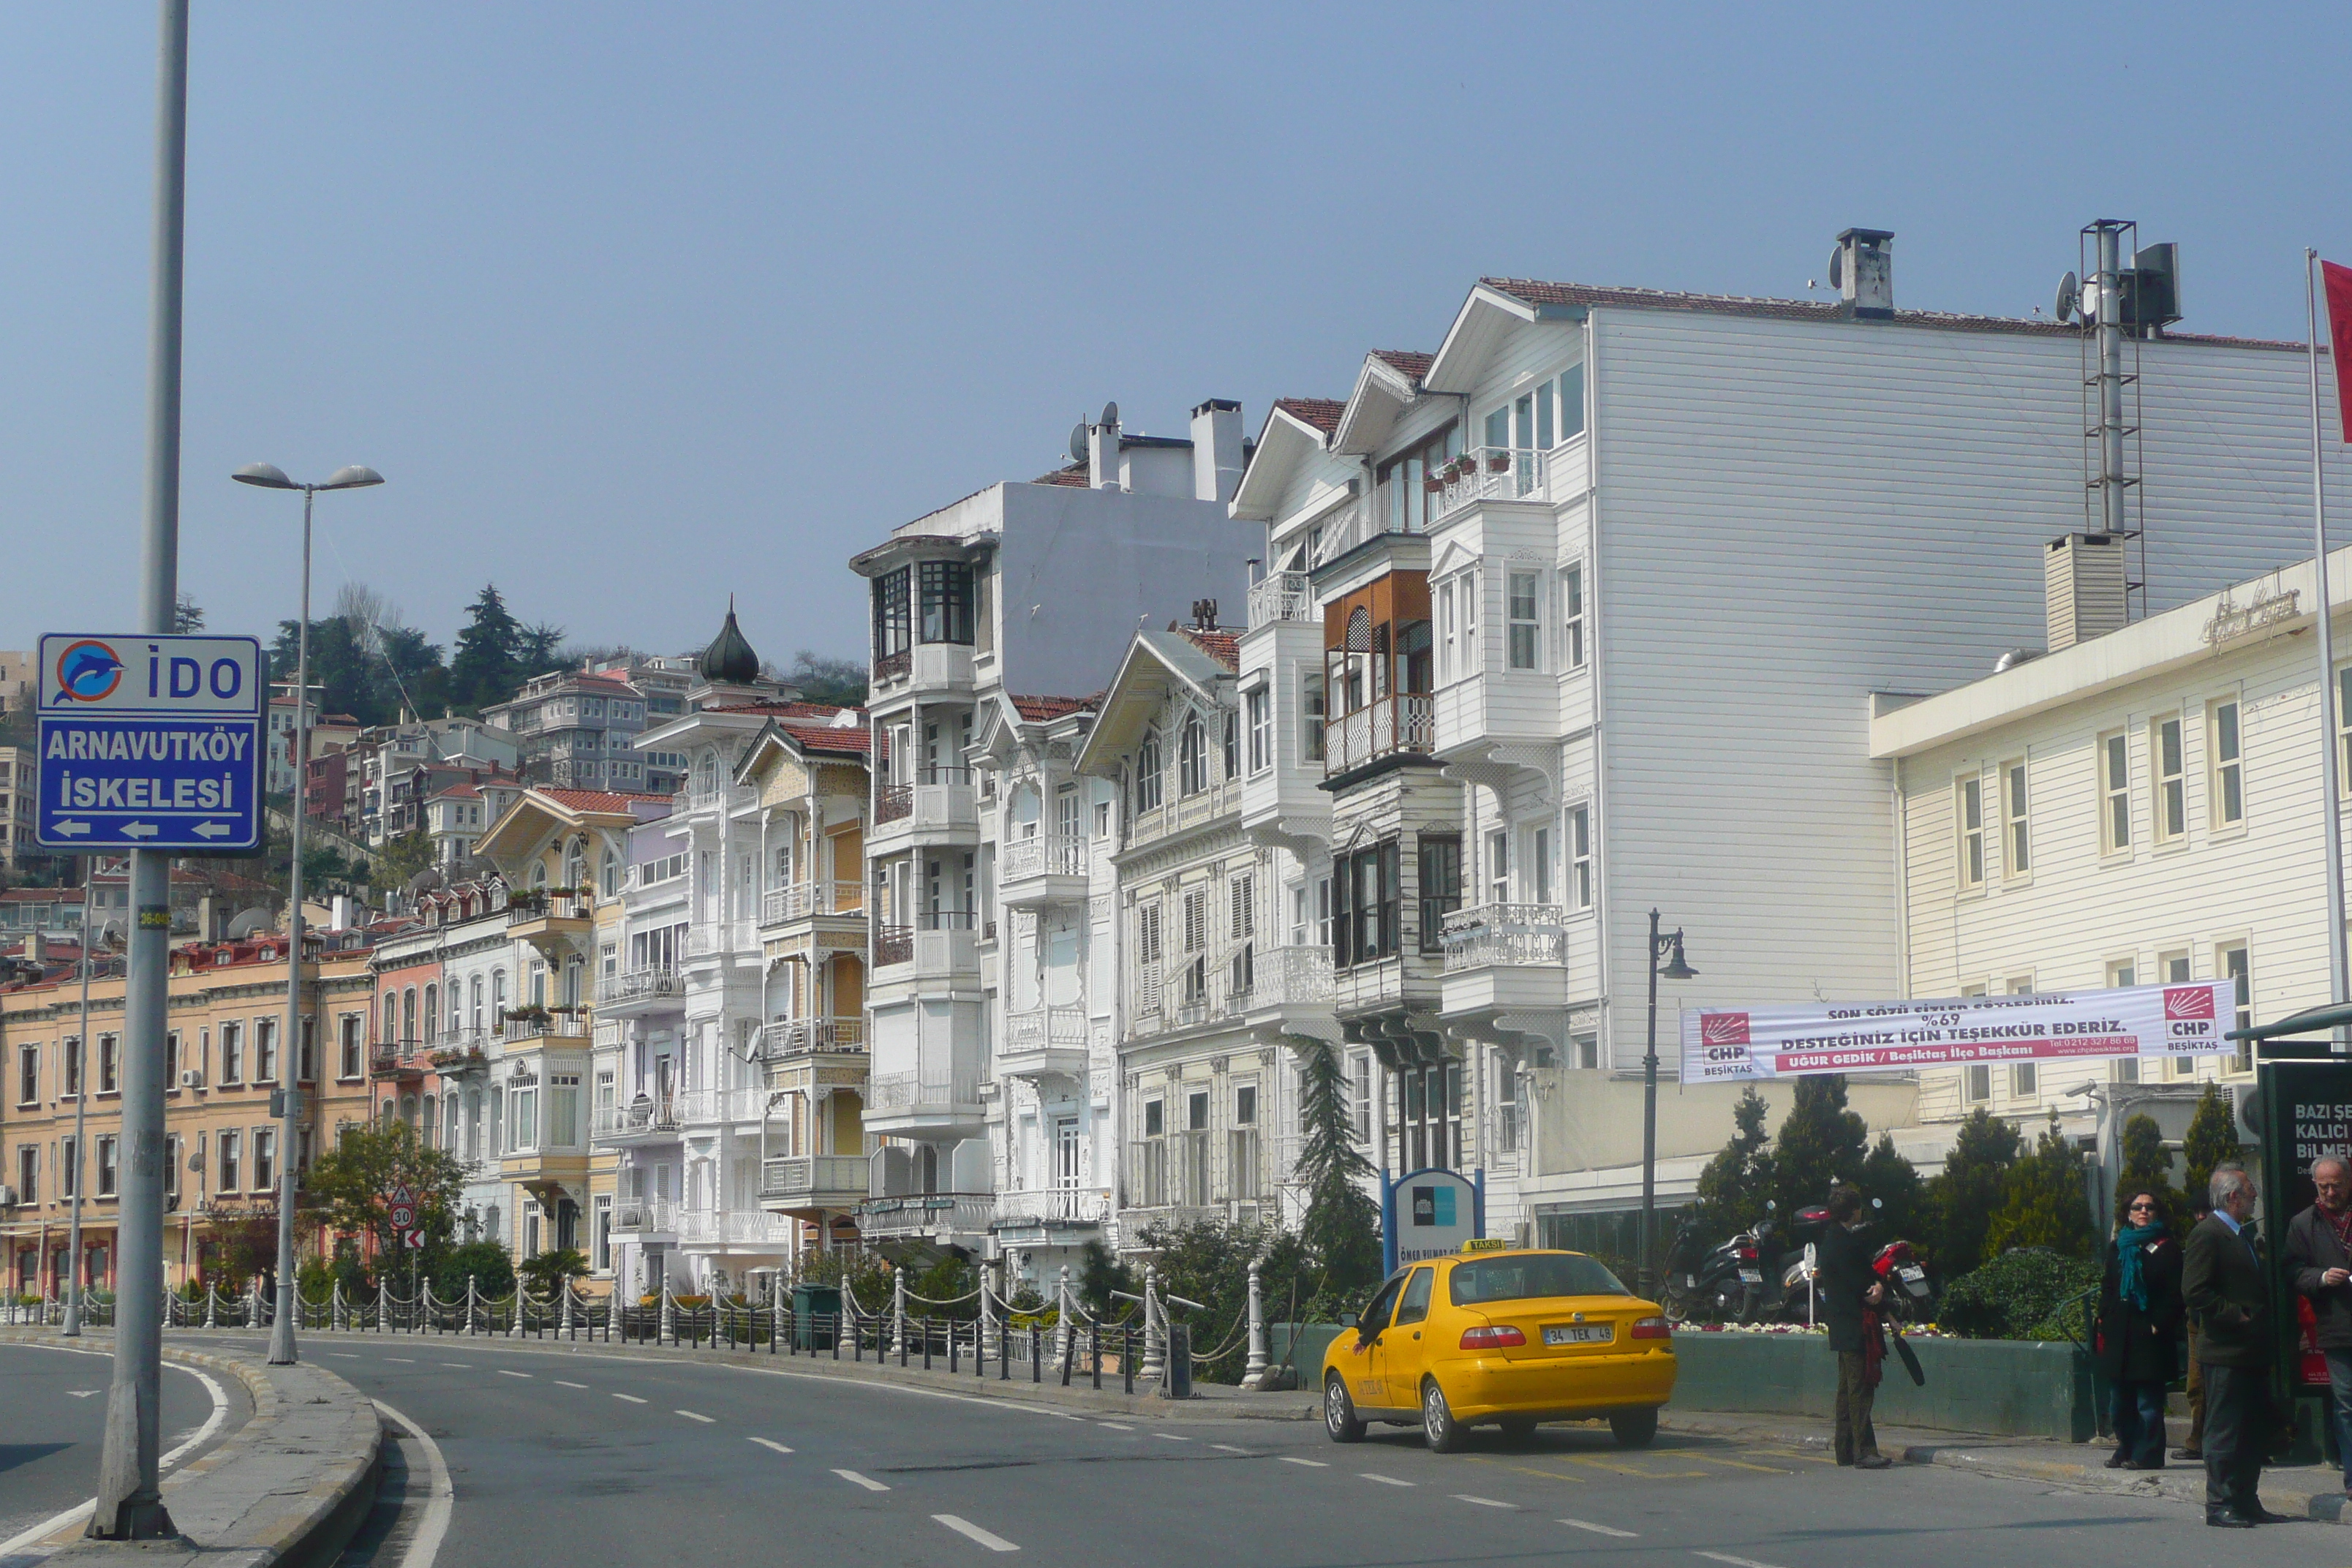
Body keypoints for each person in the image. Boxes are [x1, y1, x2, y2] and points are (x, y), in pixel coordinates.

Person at [2182, 1166, 2284, 1527]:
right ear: (2232, 1197)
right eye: (2250, 1189)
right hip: (2225, 1350)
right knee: (2225, 1428)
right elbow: (2194, 1290)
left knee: (2251, 1428)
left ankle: (2246, 1498)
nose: (2255, 1194)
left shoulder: (2241, 1234)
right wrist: (2234, 1315)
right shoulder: (2208, 1234)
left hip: (2252, 1351)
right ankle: (2220, 1502)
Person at [2095, 1189, 2184, 1469]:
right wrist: (2103, 1316)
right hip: (2120, 1332)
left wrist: (2159, 1323)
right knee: (2119, 1403)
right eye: (2137, 1207)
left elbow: (2174, 1292)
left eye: (2150, 1207)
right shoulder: (2118, 1246)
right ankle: (2126, 1447)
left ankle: (2148, 1454)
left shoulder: (2166, 1246)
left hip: (2149, 1333)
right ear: (2128, 1213)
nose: (2143, 1211)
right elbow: (2108, 1286)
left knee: (2147, 1403)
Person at [2285, 1155, 2352, 1499]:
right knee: (2347, 1404)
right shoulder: (2303, 1224)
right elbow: (2294, 1272)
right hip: (2338, 1326)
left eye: (2335, 1185)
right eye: (2322, 1186)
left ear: (2348, 1181)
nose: (2329, 1192)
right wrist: (2323, 1277)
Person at [1817, 1185, 1889, 1469]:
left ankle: (1844, 1448)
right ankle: (1864, 1450)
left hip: (1841, 1324)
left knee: (1847, 1390)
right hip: (1854, 1324)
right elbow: (1863, 1281)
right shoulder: (1845, 1244)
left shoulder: (1832, 1241)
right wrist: (1878, 1290)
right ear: (1854, 1210)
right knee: (1860, 1390)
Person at [2173, 1188, 2214, 1461]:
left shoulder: (2221, 1235)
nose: (2200, 1216)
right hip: (2197, 1321)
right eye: (2196, 1211)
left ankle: (2199, 1439)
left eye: (2205, 1210)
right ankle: (2197, 1438)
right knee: (2196, 1385)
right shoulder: (2202, 1235)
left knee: (2204, 1385)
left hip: (2214, 1320)